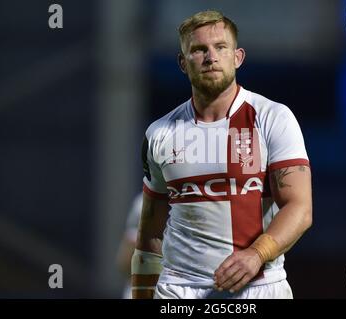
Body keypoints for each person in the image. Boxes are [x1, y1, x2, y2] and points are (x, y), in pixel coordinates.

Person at [131, 10, 312, 299]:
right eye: (199, 49)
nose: (210, 57)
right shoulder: (159, 133)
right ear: (182, 62)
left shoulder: (272, 117)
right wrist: (140, 294)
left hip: (258, 287)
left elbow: (300, 209)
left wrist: (256, 253)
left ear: (237, 57)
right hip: (180, 291)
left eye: (220, 47)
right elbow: (151, 231)